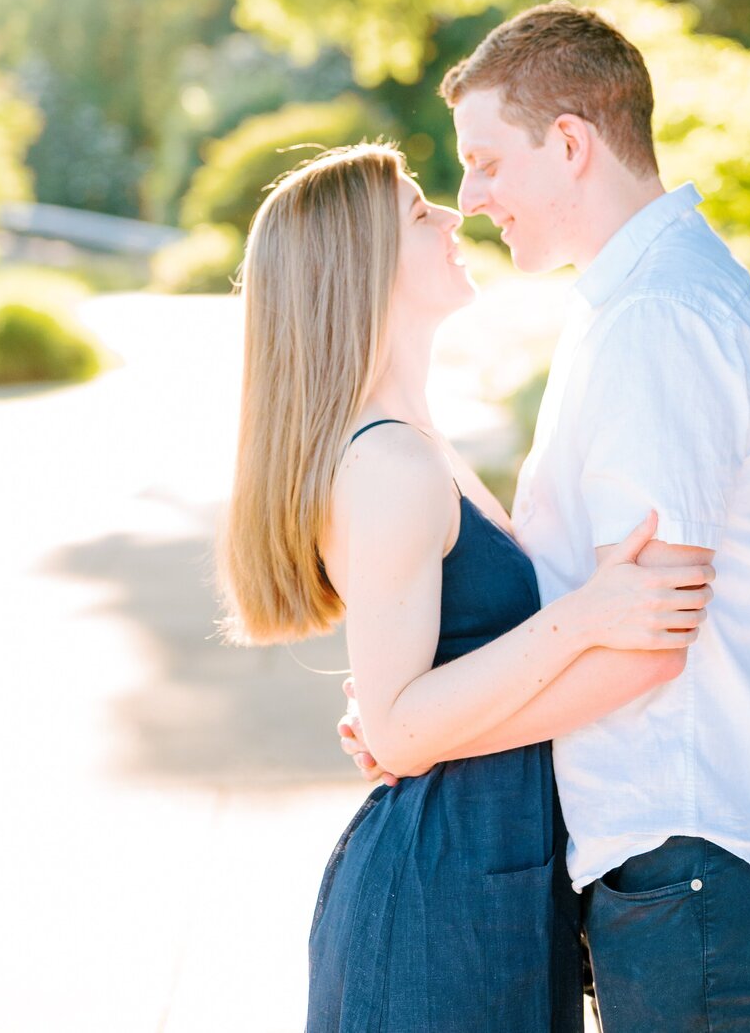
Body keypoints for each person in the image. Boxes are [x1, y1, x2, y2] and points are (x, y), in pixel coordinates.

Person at [341, 3, 750, 1031]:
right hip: (675, 865)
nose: (472, 199)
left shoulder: (655, 318)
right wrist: (422, 715)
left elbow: (645, 642)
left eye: (484, 162)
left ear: (569, 143)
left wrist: (420, 736)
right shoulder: (628, 303)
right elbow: (596, 601)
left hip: (690, 856)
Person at [219, 141, 715, 1033]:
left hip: (493, 893)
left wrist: (407, 716)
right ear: (359, 267)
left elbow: (404, 710)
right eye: (418, 212)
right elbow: (405, 729)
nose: (452, 214)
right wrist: (581, 620)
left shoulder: (418, 444)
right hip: (437, 912)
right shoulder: (390, 463)